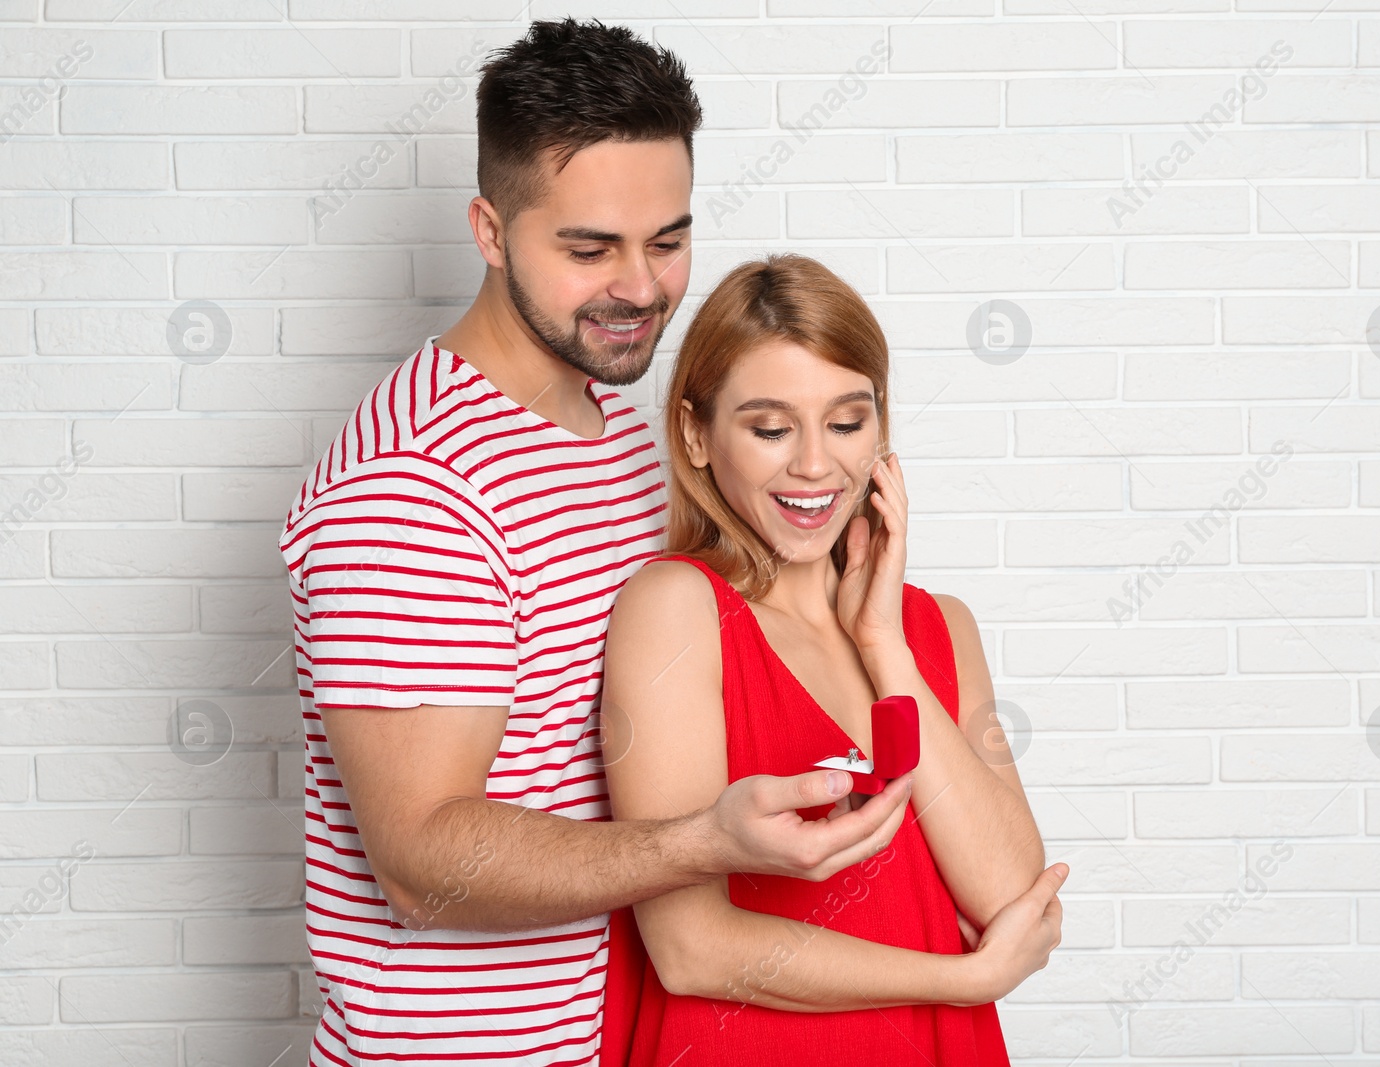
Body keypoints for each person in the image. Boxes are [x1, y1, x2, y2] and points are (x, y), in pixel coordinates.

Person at [276, 21, 919, 1066]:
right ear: (489, 229)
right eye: (588, 249)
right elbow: (422, 858)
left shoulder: (614, 417)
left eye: (665, 240)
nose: (639, 287)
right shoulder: (411, 489)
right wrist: (704, 841)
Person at [597, 254, 1068, 1067]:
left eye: (847, 423)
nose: (816, 465)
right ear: (695, 434)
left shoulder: (936, 628)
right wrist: (961, 979)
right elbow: (691, 945)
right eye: (771, 428)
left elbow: (1012, 897)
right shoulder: (675, 608)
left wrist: (885, 644)